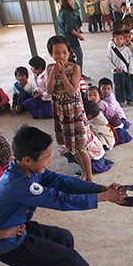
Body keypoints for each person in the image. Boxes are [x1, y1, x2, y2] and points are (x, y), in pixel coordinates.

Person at [0, 125, 131, 266]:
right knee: (68, 259)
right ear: (27, 160)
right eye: (46, 157)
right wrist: (104, 197)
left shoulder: (24, 169)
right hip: (7, 242)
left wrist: (101, 188)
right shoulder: (19, 184)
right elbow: (60, 200)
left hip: (19, 226)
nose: (50, 160)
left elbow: (61, 182)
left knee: (63, 238)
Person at [45, 36, 93, 182]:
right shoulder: (50, 68)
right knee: (71, 146)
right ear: (51, 54)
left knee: (80, 145)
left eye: (64, 52)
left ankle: (89, 177)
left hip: (74, 110)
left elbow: (72, 91)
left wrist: (62, 74)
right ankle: (84, 171)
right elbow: (49, 90)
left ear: (69, 52)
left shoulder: (75, 68)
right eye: (57, 53)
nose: (61, 56)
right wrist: (53, 73)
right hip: (61, 111)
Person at [57, 0, 88, 79]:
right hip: (71, 39)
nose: (72, 2)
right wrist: (79, 36)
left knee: (69, 56)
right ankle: (78, 74)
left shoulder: (61, 12)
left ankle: (69, 73)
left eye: (73, 0)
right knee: (79, 55)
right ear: (65, 2)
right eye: (70, 1)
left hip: (64, 39)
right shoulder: (68, 13)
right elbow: (69, 29)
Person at [106, 30, 133, 107]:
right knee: (119, 87)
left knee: (128, 85)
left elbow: (130, 60)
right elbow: (108, 61)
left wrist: (130, 70)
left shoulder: (127, 49)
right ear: (113, 40)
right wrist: (114, 68)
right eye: (117, 39)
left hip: (126, 71)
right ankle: (120, 100)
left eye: (121, 39)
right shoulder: (111, 50)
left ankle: (130, 99)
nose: (119, 41)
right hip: (117, 72)